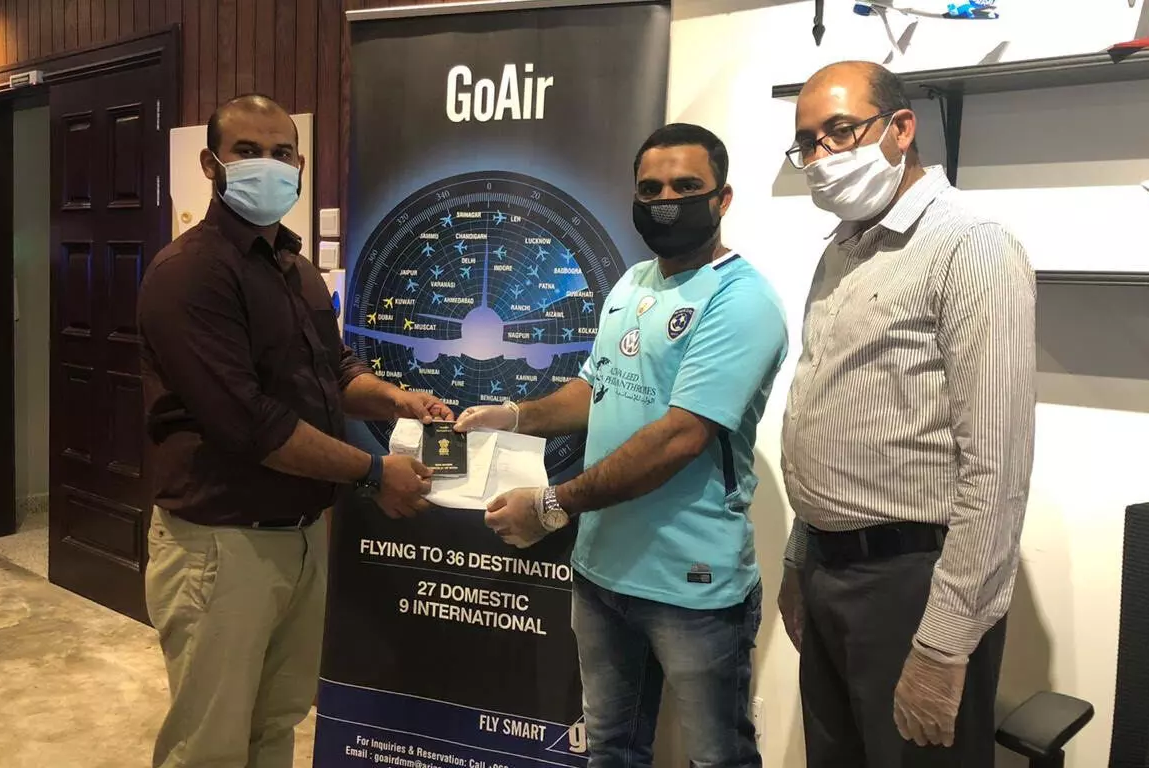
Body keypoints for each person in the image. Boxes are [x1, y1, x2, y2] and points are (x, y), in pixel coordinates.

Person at [453, 123, 787, 768]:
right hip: (601, 571)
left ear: (723, 199)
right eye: (650, 189)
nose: (666, 201)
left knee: (717, 756)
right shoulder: (633, 283)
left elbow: (679, 437)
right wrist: (515, 415)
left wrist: (551, 505)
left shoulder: (742, 300)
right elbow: (595, 388)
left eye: (686, 187)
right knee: (610, 749)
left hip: (690, 582)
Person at [138, 93, 453, 768]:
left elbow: (333, 371)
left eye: (281, 153)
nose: (268, 165)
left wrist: (399, 401)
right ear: (211, 164)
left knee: (276, 721)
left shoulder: (294, 267)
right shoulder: (190, 273)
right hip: (221, 543)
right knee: (209, 744)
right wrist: (374, 473)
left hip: (300, 535)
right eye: (247, 151)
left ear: (301, 164)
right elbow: (252, 423)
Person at [778, 61, 1036, 768]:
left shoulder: (971, 244)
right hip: (829, 571)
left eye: (840, 132)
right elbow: (829, 414)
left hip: (912, 583)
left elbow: (997, 469)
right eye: (808, 142)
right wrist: (801, 558)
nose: (822, 157)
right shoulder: (842, 248)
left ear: (900, 129)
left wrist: (944, 643)